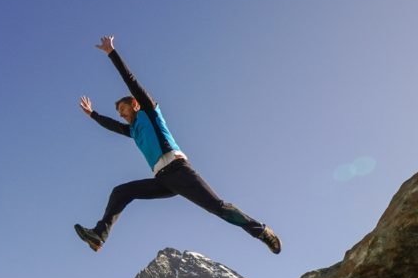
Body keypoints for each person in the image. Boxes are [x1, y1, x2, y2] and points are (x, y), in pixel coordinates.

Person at [74, 35, 282, 255]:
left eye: (123, 110)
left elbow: (131, 80)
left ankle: (262, 231)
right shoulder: (133, 131)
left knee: (218, 207)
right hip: (163, 180)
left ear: (134, 104)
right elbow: (112, 126)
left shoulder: (149, 112)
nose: (121, 115)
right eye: (119, 114)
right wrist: (93, 115)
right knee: (121, 192)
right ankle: (99, 236)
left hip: (179, 171)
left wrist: (112, 54)